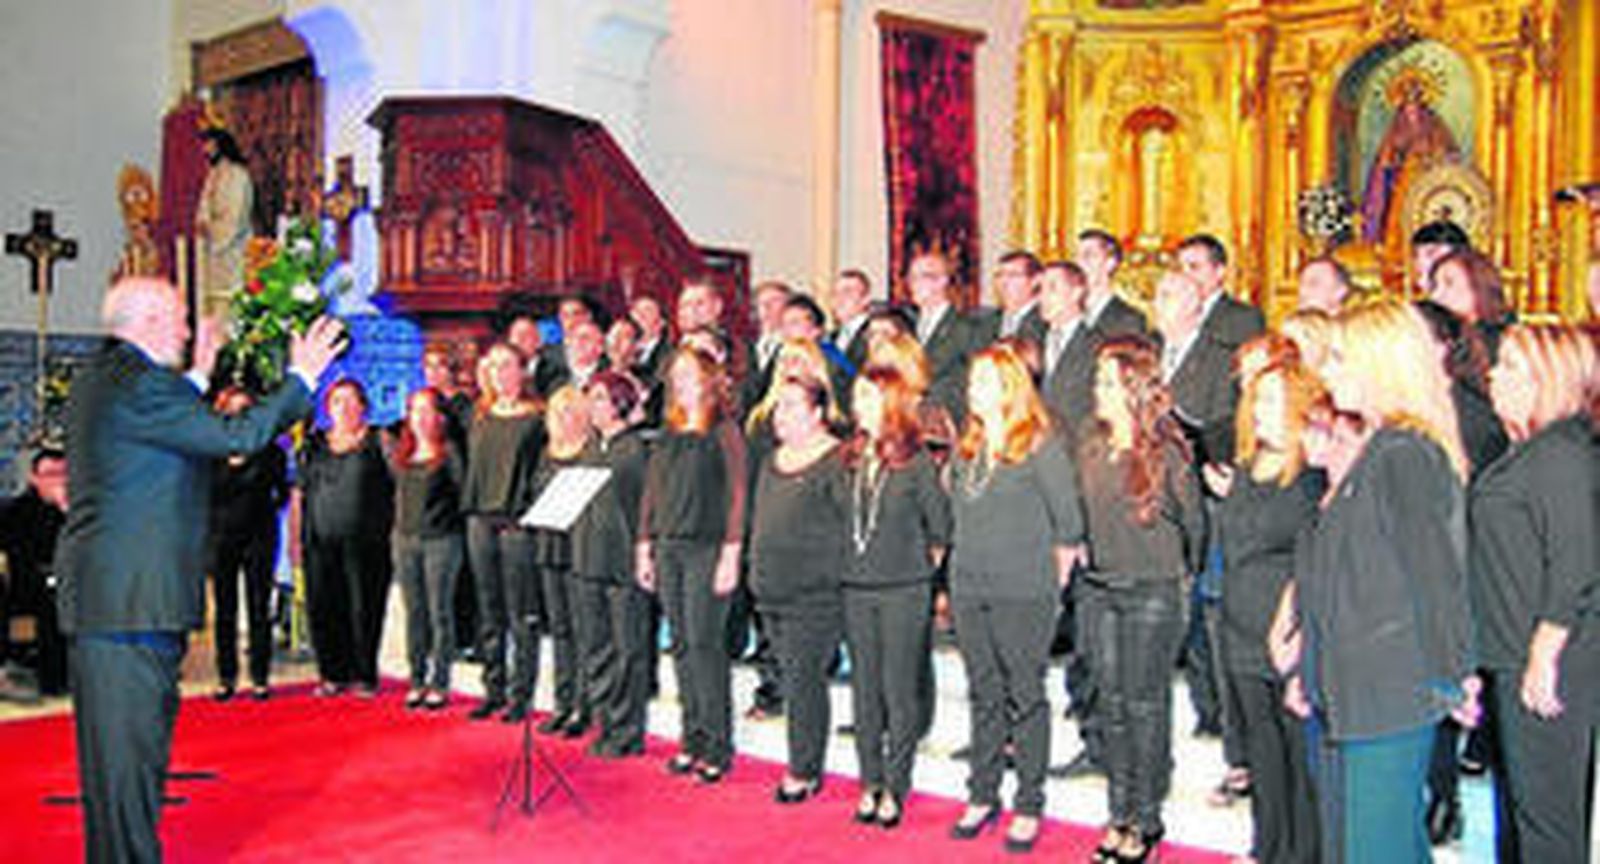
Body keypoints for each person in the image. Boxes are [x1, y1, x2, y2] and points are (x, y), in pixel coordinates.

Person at [57, 276, 342, 864]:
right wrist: (303, 377)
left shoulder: (113, 379)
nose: (188, 330)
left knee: (123, 770)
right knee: (128, 767)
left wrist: (198, 375)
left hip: (116, 600)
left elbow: (164, 431)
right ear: (150, 323)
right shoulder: (139, 385)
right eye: (181, 319)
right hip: (128, 602)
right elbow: (235, 435)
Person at [1301, 299, 1478, 863]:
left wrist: (1453, 675)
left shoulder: (1404, 454)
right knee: (1392, 842)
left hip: (1391, 683)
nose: (1326, 372)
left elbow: (1437, 577)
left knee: (1376, 847)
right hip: (1365, 679)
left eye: (1339, 359)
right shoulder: (1380, 448)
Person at [946, 343, 1085, 853]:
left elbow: (1069, 520)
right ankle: (983, 793)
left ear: (1009, 387)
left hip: (1024, 587)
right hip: (970, 582)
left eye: (983, 381)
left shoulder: (1040, 443)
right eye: (971, 381)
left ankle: (1029, 801)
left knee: (1025, 695)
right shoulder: (969, 445)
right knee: (983, 691)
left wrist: (1055, 577)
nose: (972, 391)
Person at [1470, 324, 1599, 862]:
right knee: (1520, 810)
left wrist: (1544, 655)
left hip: (1547, 659)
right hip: (1510, 650)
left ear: (1547, 381)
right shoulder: (1527, 450)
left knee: (1546, 817)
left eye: (1511, 368)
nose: (1494, 375)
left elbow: (1577, 563)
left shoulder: (1562, 453)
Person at [1076, 335, 1203, 864]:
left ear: (1134, 388)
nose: (1097, 390)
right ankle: (1119, 812)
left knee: (1145, 704)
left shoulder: (1166, 452)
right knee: (1111, 704)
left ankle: (1146, 817)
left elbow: (1194, 526)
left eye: (1108, 381)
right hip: (1101, 588)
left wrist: (1182, 579)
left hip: (1153, 589)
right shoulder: (1090, 442)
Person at [1213, 342, 1325, 864]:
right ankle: (1267, 846)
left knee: (1298, 754)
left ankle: (1302, 854)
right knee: (1262, 750)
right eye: (1257, 401)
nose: (1262, 413)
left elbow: (1315, 560)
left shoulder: (1314, 477)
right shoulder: (1247, 465)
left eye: (1275, 402)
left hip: (1288, 633)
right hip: (1238, 627)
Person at [842, 365, 951, 827]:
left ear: (891, 403)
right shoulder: (848, 455)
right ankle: (870, 781)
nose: (858, 406)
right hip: (856, 586)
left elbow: (941, 527)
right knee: (864, 689)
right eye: (857, 397)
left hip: (905, 589)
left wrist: (922, 575)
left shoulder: (916, 459)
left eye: (869, 397)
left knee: (898, 688)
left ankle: (896, 784)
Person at [637, 346, 747, 784]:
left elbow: (739, 493)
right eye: (675, 375)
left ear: (708, 378)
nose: (680, 382)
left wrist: (731, 552)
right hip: (669, 547)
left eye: (689, 374)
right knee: (681, 645)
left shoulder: (724, 429)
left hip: (708, 548)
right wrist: (643, 544)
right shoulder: (669, 429)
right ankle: (692, 737)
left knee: (705, 645)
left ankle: (718, 744)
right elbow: (652, 489)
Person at [749, 373, 849, 804]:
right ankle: (802, 760)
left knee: (805, 680)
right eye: (778, 405)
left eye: (791, 405)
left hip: (816, 594)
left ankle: (804, 768)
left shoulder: (836, 459)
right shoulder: (773, 459)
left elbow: (848, 528)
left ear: (818, 412)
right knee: (792, 678)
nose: (780, 414)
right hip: (771, 587)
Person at [461, 342, 546, 722]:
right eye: (494, 366)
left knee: (520, 612)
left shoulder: (537, 417)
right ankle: (492, 688)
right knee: (488, 609)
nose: (501, 373)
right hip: (480, 519)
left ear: (522, 370)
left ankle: (520, 695)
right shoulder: (480, 414)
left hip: (517, 523)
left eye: (508, 365)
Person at [572, 372, 653, 757]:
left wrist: (644, 554)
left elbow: (645, 509)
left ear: (621, 402)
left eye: (601, 398)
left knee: (627, 650)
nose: (592, 406)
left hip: (622, 564)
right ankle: (605, 722)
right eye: (590, 398)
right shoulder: (589, 447)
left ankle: (626, 731)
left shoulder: (634, 449)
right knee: (597, 647)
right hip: (587, 560)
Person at [298, 379, 394, 698]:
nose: (345, 408)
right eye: (338, 401)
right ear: (329, 407)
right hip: (320, 539)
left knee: (364, 607)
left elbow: (397, 489)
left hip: (367, 542)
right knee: (324, 606)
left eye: (352, 401)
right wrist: (295, 540)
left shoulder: (379, 440)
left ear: (364, 407)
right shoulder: (314, 444)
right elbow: (300, 493)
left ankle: (364, 675)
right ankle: (331, 674)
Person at [206, 387, 289, 701]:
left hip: (260, 535)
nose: (240, 416)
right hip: (221, 536)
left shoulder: (271, 449)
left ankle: (260, 677)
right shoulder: (209, 451)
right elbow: (203, 494)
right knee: (224, 610)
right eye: (233, 409)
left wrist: (263, 509)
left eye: (246, 409)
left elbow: (281, 493)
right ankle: (226, 677)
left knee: (259, 608)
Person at [391, 387, 465, 711]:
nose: (419, 418)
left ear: (439, 417)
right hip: (406, 539)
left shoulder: (449, 452)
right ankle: (417, 678)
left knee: (440, 612)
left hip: (442, 540)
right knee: (415, 613)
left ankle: (440, 681)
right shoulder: (402, 453)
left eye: (426, 411)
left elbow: (463, 495)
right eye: (414, 411)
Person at [531, 385, 592, 736]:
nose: (564, 418)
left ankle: (584, 707)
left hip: (580, 547)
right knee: (560, 630)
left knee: (583, 630)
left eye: (571, 411)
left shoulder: (589, 452)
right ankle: (563, 702)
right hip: (549, 544)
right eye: (559, 411)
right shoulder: (546, 451)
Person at [0, 447, 69, 697]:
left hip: (78, 584)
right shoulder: (16, 511)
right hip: (28, 586)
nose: (58, 480)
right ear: (34, 478)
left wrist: (65, 509)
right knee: (51, 600)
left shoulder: (82, 512)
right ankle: (52, 679)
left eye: (63, 474)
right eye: (50, 474)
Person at [193, 127, 254, 318]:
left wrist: (214, 232)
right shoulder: (213, 174)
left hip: (232, 248)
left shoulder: (238, 174)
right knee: (211, 303)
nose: (206, 150)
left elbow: (237, 215)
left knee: (230, 306)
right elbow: (203, 206)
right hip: (211, 249)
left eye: (209, 144)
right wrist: (202, 225)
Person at [1076, 229, 1148, 338]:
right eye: (1076, 256)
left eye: (1088, 255)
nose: (1079, 263)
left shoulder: (1128, 319)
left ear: (1111, 263)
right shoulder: (1068, 313)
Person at [830, 269, 874, 373]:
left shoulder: (875, 333)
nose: (839, 299)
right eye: (835, 293)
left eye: (847, 292)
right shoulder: (830, 339)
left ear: (866, 299)